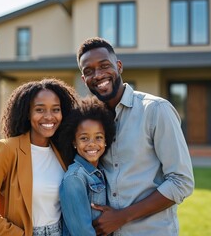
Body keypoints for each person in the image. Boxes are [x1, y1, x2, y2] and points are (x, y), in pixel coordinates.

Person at [76, 37, 195, 236]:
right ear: (83, 79)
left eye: (104, 66)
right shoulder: (90, 121)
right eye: (89, 71)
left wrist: (122, 216)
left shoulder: (156, 110)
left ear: (119, 66)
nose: (98, 75)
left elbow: (181, 182)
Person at [0, 78, 78, 236]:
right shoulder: (7, 150)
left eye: (55, 109)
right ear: (28, 113)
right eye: (40, 110)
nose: (49, 117)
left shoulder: (62, 152)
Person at [58, 96, 116, 236]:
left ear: (106, 140)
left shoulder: (103, 171)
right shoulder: (74, 178)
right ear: (74, 142)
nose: (92, 144)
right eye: (84, 138)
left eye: (98, 137)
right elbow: (82, 232)